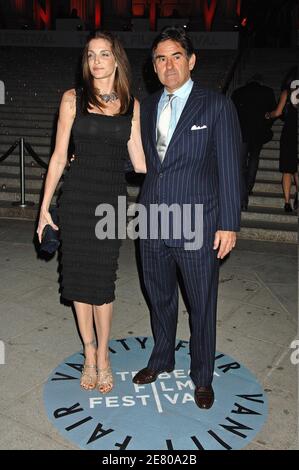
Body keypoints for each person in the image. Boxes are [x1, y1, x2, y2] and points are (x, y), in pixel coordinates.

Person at [133, 26, 241, 410]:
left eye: (176, 56)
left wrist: (229, 223)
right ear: (154, 66)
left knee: (201, 304)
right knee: (158, 297)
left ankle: (202, 376)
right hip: (152, 221)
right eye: (161, 58)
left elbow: (230, 167)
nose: (169, 65)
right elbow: (143, 162)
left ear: (191, 61)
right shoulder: (144, 107)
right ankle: (161, 359)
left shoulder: (215, 105)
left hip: (198, 224)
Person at [37, 31, 146, 394]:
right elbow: (57, 156)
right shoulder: (73, 98)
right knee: (78, 281)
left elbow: (141, 162)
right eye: (91, 54)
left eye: (104, 54)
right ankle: (88, 352)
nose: (96, 61)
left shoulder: (131, 103)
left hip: (111, 201)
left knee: (103, 282)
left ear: (117, 60)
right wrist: (43, 210)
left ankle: (105, 357)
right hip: (78, 198)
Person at [231, 74, 276, 210]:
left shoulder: (238, 92)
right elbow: (272, 112)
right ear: (260, 82)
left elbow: (231, 112)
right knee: (254, 159)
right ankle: (248, 187)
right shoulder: (268, 92)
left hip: (242, 132)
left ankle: (243, 196)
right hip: (259, 132)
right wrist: (266, 124)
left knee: (241, 164)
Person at [266, 66, 298, 212]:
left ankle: (287, 202)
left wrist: (268, 115)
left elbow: (278, 112)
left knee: (287, 169)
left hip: (290, 132)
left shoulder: (287, 92)